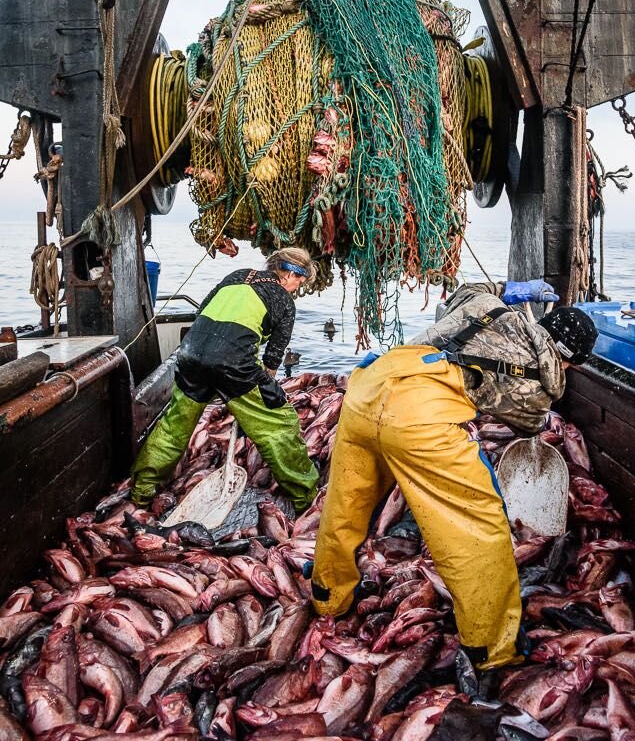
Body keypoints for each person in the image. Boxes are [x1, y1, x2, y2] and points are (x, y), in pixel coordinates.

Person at [310, 278, 597, 671]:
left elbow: (470, 287)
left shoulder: (486, 304)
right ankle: (493, 647)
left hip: (368, 387)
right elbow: (528, 424)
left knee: (347, 503)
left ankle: (329, 594)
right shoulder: (541, 383)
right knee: (476, 527)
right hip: (419, 418)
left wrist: (507, 287)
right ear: (571, 362)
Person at [130, 247, 320, 512]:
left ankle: (141, 491)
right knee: (280, 423)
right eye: (300, 280)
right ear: (289, 272)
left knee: (174, 427)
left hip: (189, 354)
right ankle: (306, 497)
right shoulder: (285, 301)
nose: (298, 286)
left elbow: (202, 312)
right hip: (233, 362)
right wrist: (261, 398)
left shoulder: (237, 275)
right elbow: (273, 359)